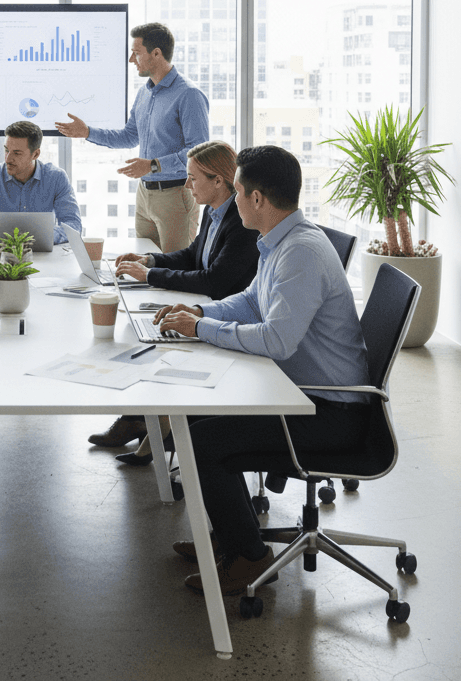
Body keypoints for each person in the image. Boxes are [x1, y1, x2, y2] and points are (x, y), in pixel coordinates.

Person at [154, 146, 371, 597]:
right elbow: (252, 301)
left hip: (326, 411)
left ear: (257, 199)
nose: (231, 202)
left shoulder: (301, 253)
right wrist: (199, 312)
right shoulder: (279, 241)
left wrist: (201, 327)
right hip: (299, 391)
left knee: (201, 441)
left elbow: (275, 339)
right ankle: (234, 535)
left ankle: (250, 558)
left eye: (236, 192)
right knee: (193, 417)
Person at [88, 140, 261, 454]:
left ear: (218, 181)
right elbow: (194, 255)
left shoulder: (242, 221)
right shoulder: (214, 210)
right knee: (140, 335)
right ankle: (141, 420)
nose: (187, 185)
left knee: (151, 343)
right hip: (207, 309)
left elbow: (215, 279)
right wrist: (151, 261)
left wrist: (151, 276)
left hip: (226, 319)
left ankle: (155, 427)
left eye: (193, 178)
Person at [55, 22, 209, 252]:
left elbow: (199, 150)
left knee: (175, 271)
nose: (131, 60)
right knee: (145, 267)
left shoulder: (189, 94)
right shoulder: (144, 93)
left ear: (156, 54)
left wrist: (152, 165)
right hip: (144, 195)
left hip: (176, 196)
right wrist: (87, 132)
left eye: (136, 53)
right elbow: (129, 137)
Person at [0, 120, 82, 246]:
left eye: (17, 153)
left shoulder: (56, 178)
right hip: (2, 254)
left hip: (45, 255)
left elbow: (73, 224)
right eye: (6, 150)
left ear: (35, 154)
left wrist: (37, 239)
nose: (8, 159)